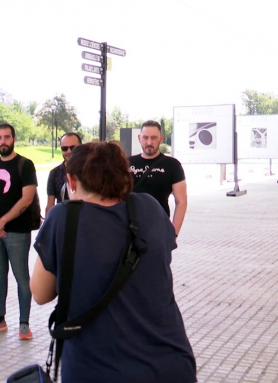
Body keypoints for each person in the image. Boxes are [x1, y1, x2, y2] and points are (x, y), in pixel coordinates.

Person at [30, 141, 197, 382]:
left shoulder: (63, 216)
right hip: (171, 363)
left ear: (72, 181)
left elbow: (40, 293)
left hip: (97, 369)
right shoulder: (150, 208)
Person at [0, 123, 37, 340]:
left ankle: (24, 324)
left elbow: (27, 198)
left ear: (14, 138)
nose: (2, 141)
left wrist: (2, 221)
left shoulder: (25, 165)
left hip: (17, 232)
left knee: (21, 276)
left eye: (6, 137)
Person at [129, 120, 187, 236]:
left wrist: (173, 233)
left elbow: (181, 201)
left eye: (154, 138)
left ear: (161, 138)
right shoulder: (127, 163)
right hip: (130, 228)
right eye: (145, 137)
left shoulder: (172, 165)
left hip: (159, 229)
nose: (149, 142)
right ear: (139, 138)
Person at [45, 132, 82, 216]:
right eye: (64, 148)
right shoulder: (54, 173)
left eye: (73, 147)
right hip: (62, 220)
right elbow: (50, 205)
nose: (69, 151)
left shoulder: (90, 171)